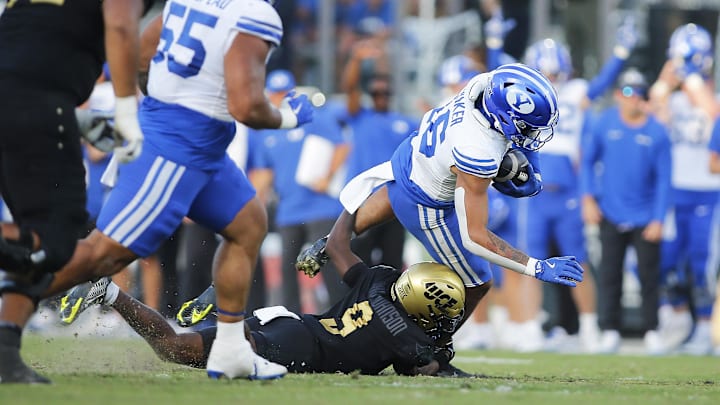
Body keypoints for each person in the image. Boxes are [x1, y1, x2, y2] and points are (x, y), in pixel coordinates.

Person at [7, 0, 315, 382]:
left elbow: (142, 51)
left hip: (202, 143)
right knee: (103, 256)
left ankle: (231, 350)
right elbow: (248, 106)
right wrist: (290, 116)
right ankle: (9, 314)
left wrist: (160, 100)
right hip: (179, 145)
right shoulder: (256, 13)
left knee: (248, 224)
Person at [296, 63, 585, 333]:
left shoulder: (480, 86)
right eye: (526, 126)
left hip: (407, 162)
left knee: (401, 194)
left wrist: (528, 162)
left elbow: (515, 133)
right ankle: (431, 350)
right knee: (478, 282)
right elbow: (474, 237)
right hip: (426, 203)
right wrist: (537, 266)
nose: (533, 135)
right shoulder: (478, 151)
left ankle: (331, 241)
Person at [59, 209, 469, 377]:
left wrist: (332, 232)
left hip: (290, 321)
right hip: (299, 346)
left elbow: (340, 246)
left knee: (173, 347)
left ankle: (110, 293)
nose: (443, 320)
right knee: (202, 357)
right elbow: (431, 371)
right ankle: (222, 308)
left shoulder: (376, 280)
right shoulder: (408, 337)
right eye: (441, 311)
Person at [0, 0, 149, 384]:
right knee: (56, 238)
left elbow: (30, 36)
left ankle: (4, 352)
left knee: (36, 236)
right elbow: (119, 23)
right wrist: (127, 111)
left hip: (28, 95)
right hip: (32, 99)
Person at [513, 20, 637, 353]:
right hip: (534, 193)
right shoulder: (525, 93)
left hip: (567, 192)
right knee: (529, 262)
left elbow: (602, 84)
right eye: (547, 72)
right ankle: (530, 326)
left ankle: (589, 327)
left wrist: (621, 54)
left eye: (556, 72)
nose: (551, 78)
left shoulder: (577, 93)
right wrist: (495, 45)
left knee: (577, 262)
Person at [581, 68, 672, 355]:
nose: (633, 99)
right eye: (628, 92)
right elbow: (586, 161)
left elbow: (664, 179)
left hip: (645, 216)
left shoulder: (657, 132)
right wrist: (588, 199)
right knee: (609, 274)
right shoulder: (604, 122)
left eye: (639, 93)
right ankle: (609, 330)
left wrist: (659, 218)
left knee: (648, 276)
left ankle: (651, 330)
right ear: (619, 94)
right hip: (611, 210)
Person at [246, 69, 350, 313]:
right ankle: (288, 318)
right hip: (288, 209)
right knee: (287, 268)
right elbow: (264, 173)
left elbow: (342, 146)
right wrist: (251, 205)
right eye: (276, 93)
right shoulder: (268, 130)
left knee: (328, 265)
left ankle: (341, 315)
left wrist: (327, 176)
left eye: (285, 93)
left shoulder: (313, 117)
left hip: (320, 207)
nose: (280, 98)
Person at [648, 23, 720, 356]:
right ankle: (676, 317)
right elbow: (650, 115)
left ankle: (706, 327)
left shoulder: (711, 96)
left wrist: (691, 77)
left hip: (708, 192)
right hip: (674, 192)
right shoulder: (673, 100)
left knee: (702, 263)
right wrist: (665, 81)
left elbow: (712, 112)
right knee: (664, 260)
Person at [340, 40, 419, 270]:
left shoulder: (405, 123)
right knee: (358, 263)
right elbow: (350, 88)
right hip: (363, 200)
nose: (381, 95)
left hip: (392, 202)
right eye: (376, 92)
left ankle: (386, 307)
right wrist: (355, 59)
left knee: (391, 265)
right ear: (370, 94)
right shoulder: (360, 117)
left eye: (385, 91)